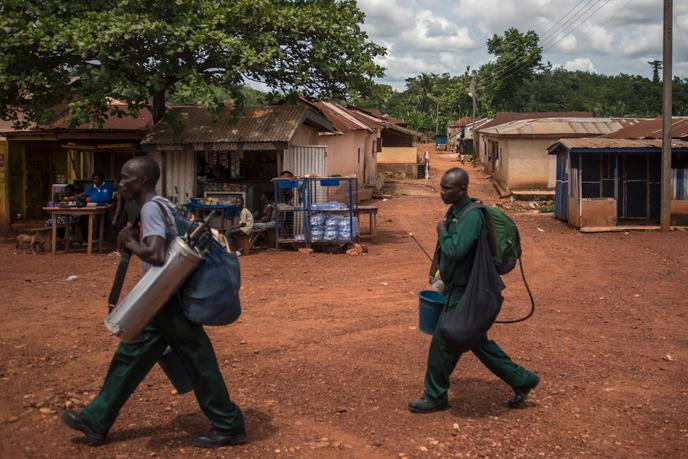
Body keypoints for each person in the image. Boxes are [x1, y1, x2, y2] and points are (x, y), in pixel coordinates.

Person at [61, 157, 246, 448]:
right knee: (135, 356)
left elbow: (157, 254)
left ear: (142, 181)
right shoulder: (163, 203)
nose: (120, 182)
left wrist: (129, 240)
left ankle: (229, 424)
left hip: (164, 300)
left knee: (196, 361)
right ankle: (96, 420)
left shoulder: (150, 208)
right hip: (165, 298)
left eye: (126, 177)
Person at [408, 167, 539, 414]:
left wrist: (442, 231)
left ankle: (435, 395)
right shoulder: (456, 211)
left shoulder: (471, 216)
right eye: (442, 186)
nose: (442, 192)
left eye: (448, 188)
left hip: (469, 293)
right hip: (457, 289)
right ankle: (522, 379)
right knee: (476, 341)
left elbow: (456, 251)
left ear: (463, 189)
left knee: (444, 341)